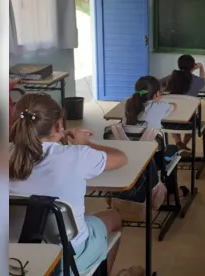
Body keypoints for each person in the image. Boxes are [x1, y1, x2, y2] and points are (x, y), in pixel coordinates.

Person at [8, 93, 136, 275]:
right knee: (113, 217)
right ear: (59, 125)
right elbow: (121, 158)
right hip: (64, 261)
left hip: (14, 259)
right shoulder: (77, 155)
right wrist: (86, 144)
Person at [159, 55, 205, 150]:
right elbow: (203, 80)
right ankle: (183, 144)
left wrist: (163, 89)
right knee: (194, 116)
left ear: (179, 66)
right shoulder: (197, 81)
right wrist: (201, 67)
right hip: (189, 123)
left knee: (172, 113)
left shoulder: (172, 77)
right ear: (193, 66)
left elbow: (157, 82)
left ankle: (179, 143)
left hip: (169, 122)